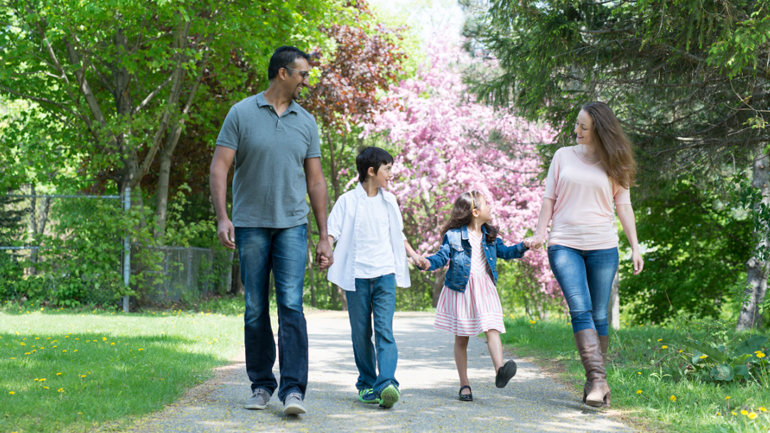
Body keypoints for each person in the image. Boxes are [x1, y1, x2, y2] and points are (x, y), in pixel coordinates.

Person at [209, 46, 333, 416]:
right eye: (302, 74)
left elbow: (316, 181)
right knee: (254, 307)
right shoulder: (241, 113)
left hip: (293, 226)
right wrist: (222, 216)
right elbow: (219, 168)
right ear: (283, 73)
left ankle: (293, 390)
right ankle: (261, 385)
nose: (306, 82)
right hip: (250, 225)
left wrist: (324, 234)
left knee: (292, 306)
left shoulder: (306, 122)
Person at [526, 102, 644, 408]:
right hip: (564, 243)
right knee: (581, 309)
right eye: (577, 124)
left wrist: (635, 245)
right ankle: (597, 379)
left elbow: (624, 206)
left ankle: (596, 382)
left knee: (600, 314)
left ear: (600, 131)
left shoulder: (615, 163)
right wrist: (541, 234)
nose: (576, 130)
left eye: (583, 127)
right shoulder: (562, 156)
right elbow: (548, 199)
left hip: (603, 245)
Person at [324, 146, 428, 409]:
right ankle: (367, 383)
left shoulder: (390, 201)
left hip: (384, 274)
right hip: (356, 276)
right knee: (361, 333)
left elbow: (399, 233)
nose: (391, 174)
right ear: (371, 171)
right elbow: (332, 231)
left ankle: (387, 384)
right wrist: (325, 248)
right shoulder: (347, 201)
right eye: (388, 169)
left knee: (385, 330)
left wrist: (414, 255)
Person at [420, 191, 532, 402]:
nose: (491, 207)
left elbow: (507, 253)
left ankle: (500, 371)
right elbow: (442, 257)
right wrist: (427, 263)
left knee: (493, 328)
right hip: (462, 288)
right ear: (475, 211)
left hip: (485, 287)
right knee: (462, 339)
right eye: (487, 204)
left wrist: (523, 246)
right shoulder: (453, 236)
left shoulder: (490, 237)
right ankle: (464, 385)